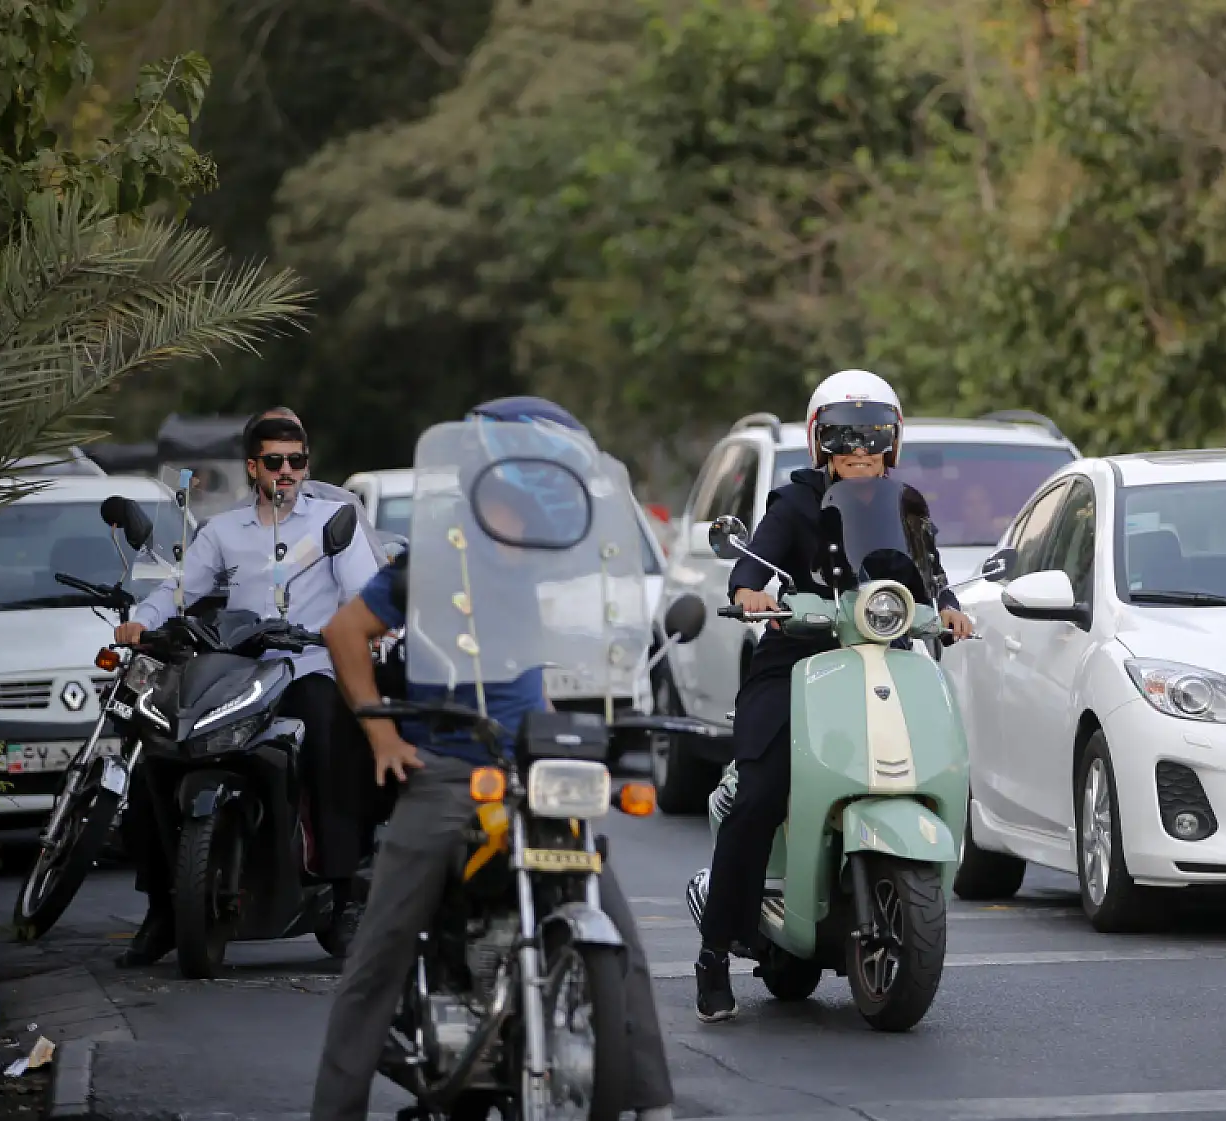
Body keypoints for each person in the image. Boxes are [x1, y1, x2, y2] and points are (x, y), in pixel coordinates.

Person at [309, 415, 674, 1121]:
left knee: (615, 923)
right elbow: (344, 631)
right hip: (450, 764)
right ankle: (336, 1109)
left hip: (535, 767)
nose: (535, 508)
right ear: (491, 486)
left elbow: (580, 636)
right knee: (382, 944)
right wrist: (382, 734)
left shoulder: (549, 559)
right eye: (526, 489)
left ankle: (651, 1101)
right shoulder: (434, 561)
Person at [693, 369, 975, 1023]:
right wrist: (750, 592)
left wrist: (949, 607)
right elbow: (755, 563)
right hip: (797, 658)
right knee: (761, 790)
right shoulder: (794, 503)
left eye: (874, 435)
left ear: (892, 442)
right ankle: (714, 950)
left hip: (882, 655)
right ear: (821, 441)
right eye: (846, 435)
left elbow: (930, 575)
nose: (860, 449)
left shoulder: (906, 506)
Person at [111, 414, 383, 966]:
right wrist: (141, 621)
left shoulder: (334, 522)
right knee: (158, 750)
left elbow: (364, 594)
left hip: (309, 667)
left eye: (296, 461)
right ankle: (162, 907)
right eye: (275, 462)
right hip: (238, 673)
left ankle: (345, 896)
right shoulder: (222, 532)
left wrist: (372, 627)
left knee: (329, 736)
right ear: (253, 467)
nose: (287, 472)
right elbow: (179, 591)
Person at [241, 408, 389, 566]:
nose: (286, 468)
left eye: (296, 455)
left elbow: (377, 573)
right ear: (253, 465)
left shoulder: (343, 505)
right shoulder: (231, 524)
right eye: (274, 458)